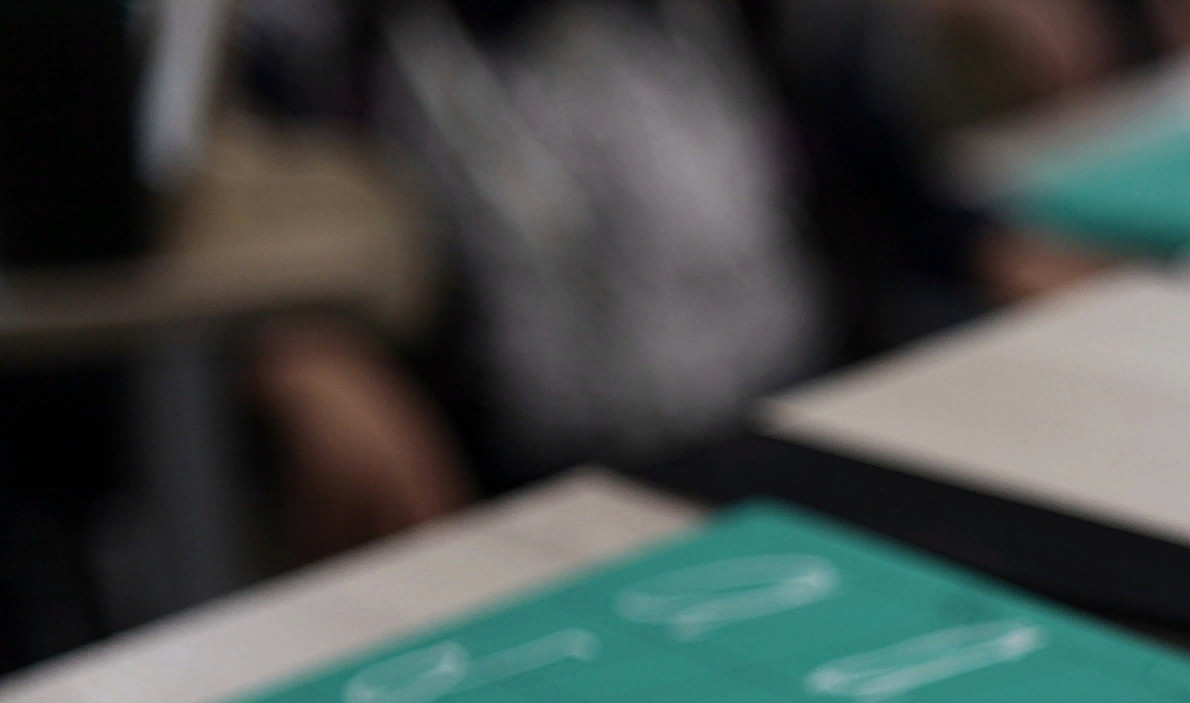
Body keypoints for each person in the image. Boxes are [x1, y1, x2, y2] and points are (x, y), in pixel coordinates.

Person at [235, 0, 1106, 557]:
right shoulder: (333, 52)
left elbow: (873, 172)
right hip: (535, 506)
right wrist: (299, 342)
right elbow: (241, 216)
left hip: (805, 436)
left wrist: (999, 253)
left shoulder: (754, 22)